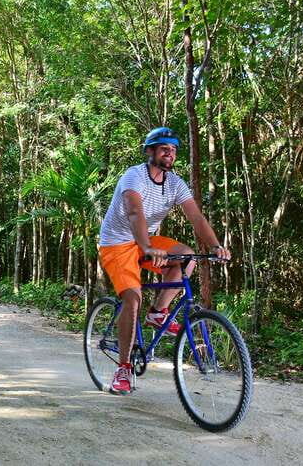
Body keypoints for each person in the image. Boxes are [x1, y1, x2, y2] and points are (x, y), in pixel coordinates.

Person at [98, 126, 231, 395]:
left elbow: (196, 218)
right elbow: (134, 212)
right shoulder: (134, 176)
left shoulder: (175, 183)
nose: (169, 154)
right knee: (132, 299)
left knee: (187, 256)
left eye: (173, 150)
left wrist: (216, 246)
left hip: (145, 241)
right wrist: (147, 247)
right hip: (117, 244)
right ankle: (123, 368)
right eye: (163, 149)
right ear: (150, 151)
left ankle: (158, 312)